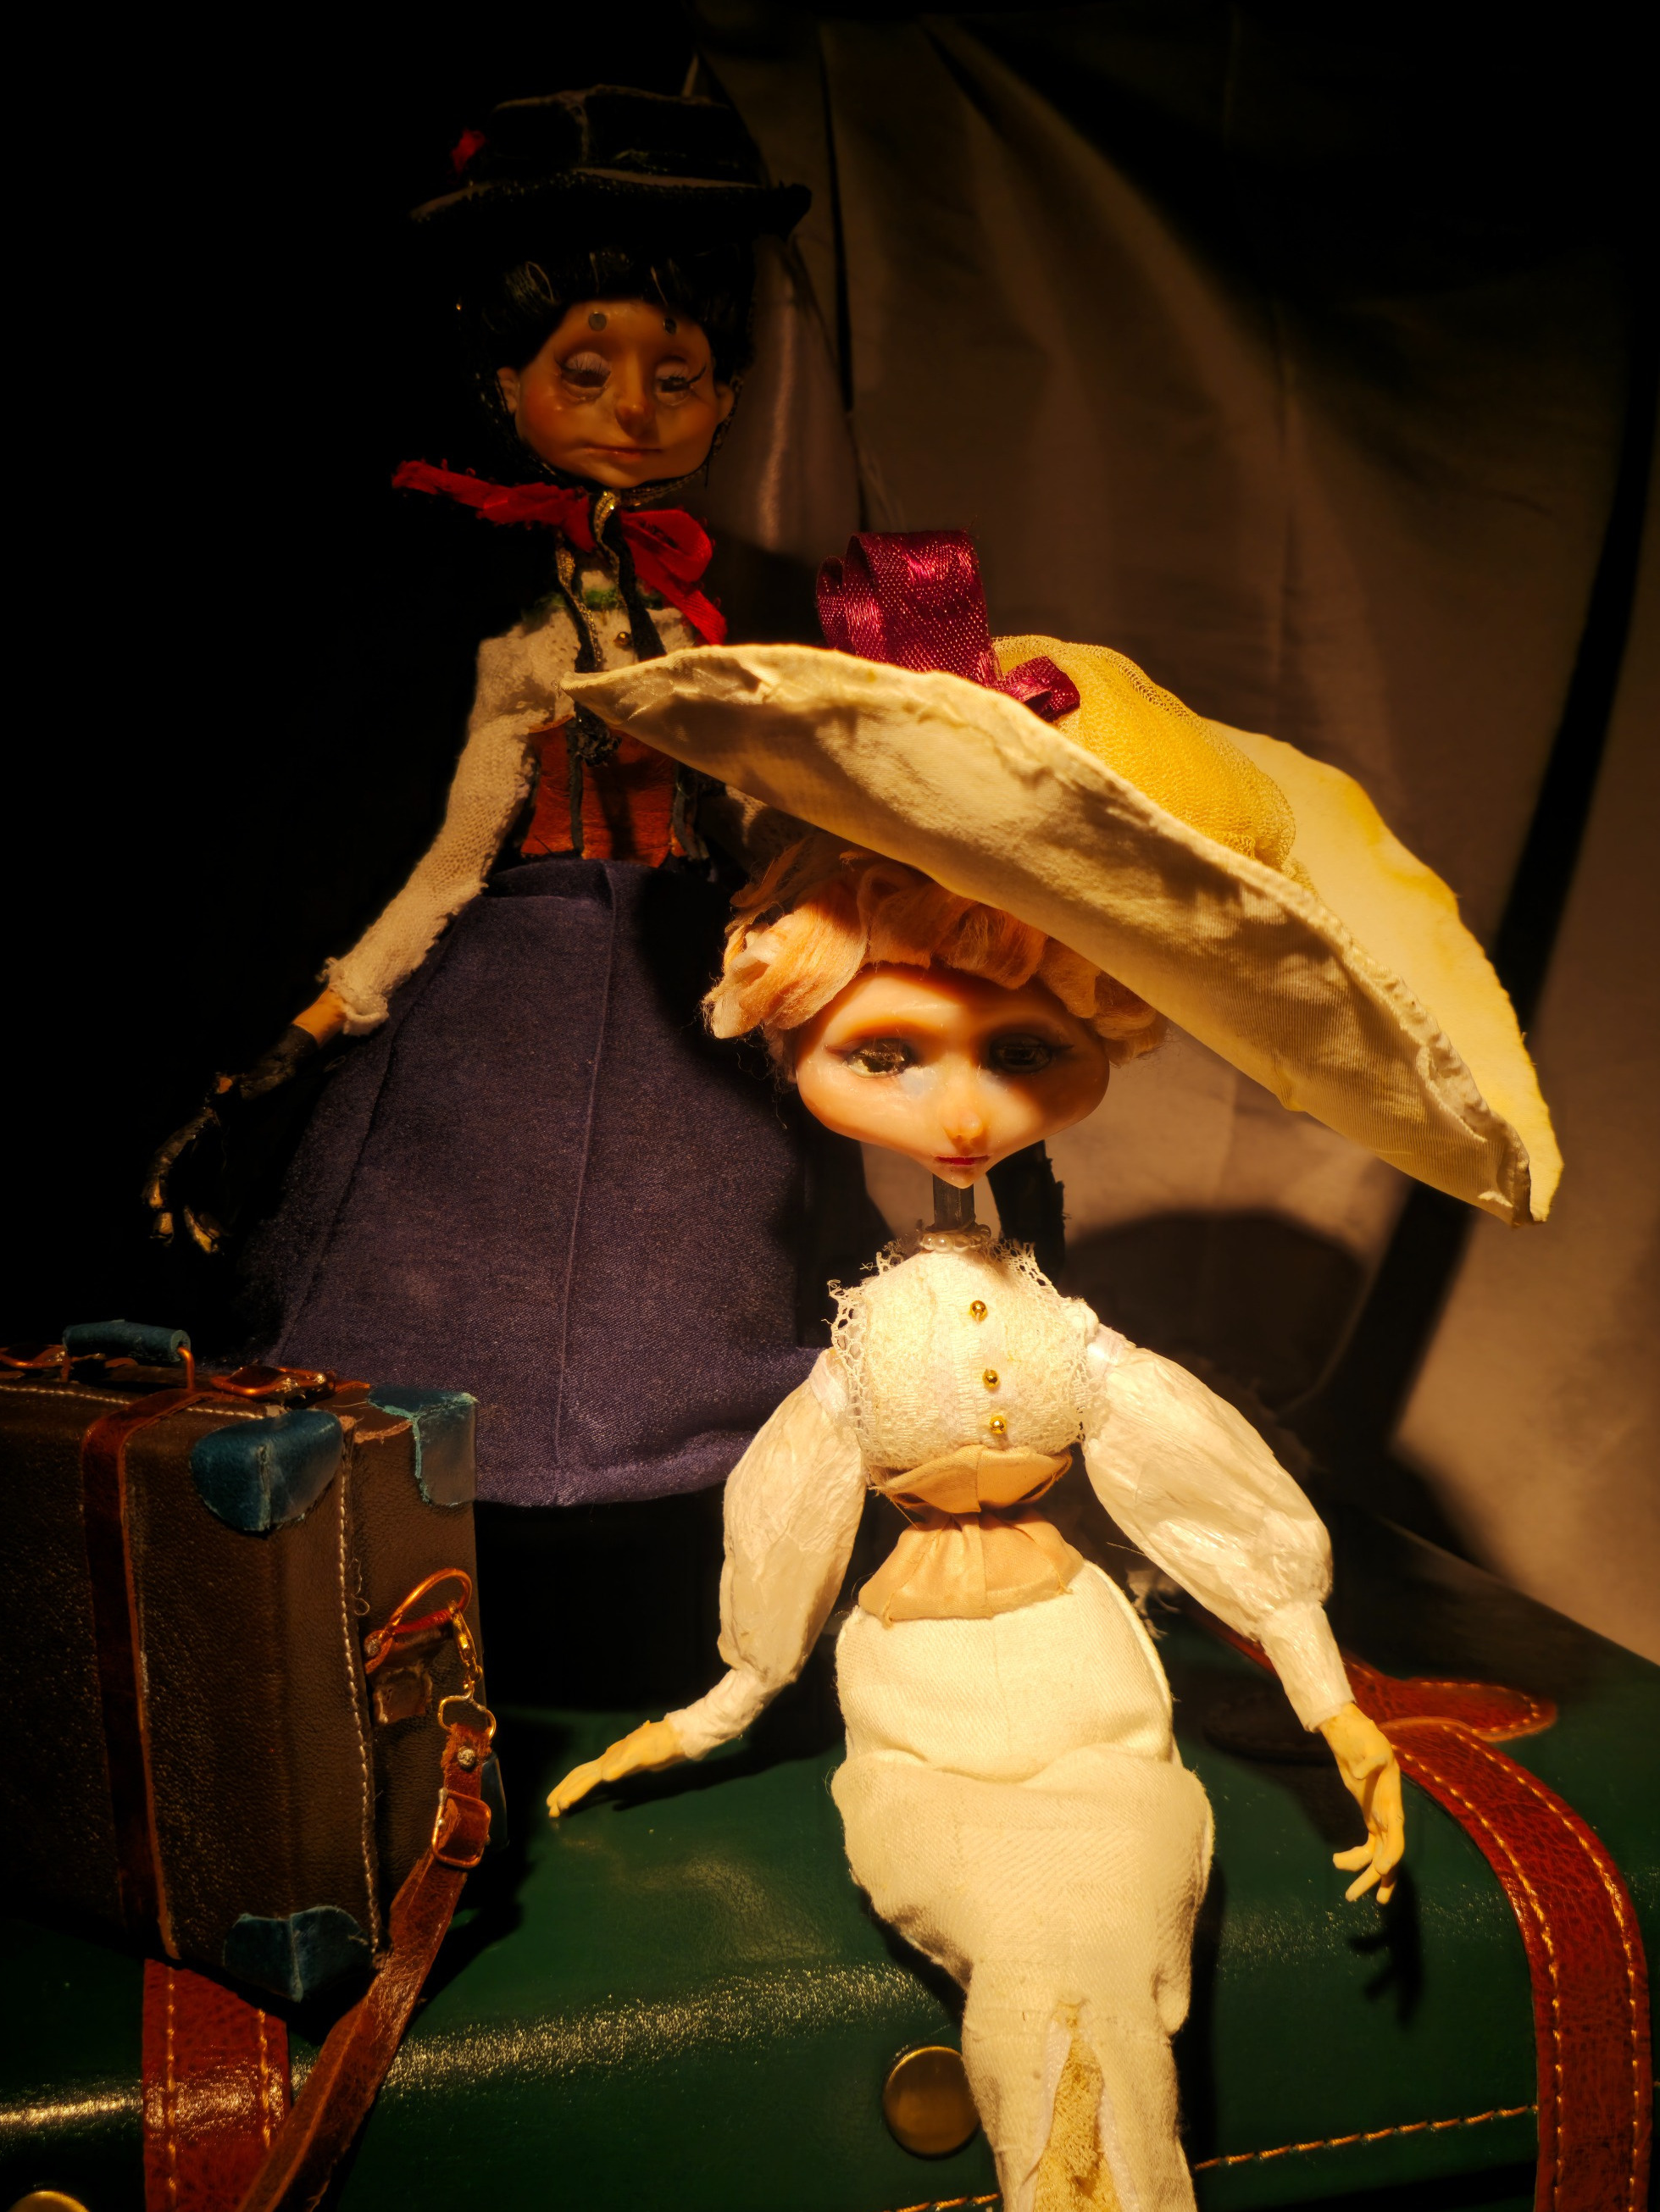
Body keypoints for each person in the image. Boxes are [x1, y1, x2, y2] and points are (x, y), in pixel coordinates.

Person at [546, 532, 1558, 2210]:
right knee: (1028, 1935)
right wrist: (711, 1709)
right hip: (917, 1706)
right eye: (888, 1052)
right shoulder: (859, 1359)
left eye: (1024, 1054)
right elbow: (785, 1525)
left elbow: (1208, 1497)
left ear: (1102, 1039)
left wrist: (1329, 1697)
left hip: (1098, 1688)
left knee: (1109, 1903)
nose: (960, 1113)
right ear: (789, 1022)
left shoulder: (1074, 1345)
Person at [146, 90, 841, 1506]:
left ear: (726, 396)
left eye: (677, 375)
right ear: (504, 381)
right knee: (437, 1263)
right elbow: (453, 855)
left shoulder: (698, 625)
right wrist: (321, 1020)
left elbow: (736, 819)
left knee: (707, 1249)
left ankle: (687, 1485)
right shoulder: (506, 637)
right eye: (585, 371)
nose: (634, 409)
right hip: (505, 982)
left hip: (682, 974)